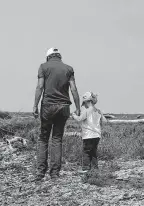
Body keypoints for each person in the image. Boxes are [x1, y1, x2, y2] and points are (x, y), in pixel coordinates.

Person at [33, 47, 81, 181]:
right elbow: (74, 89)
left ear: (48, 57)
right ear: (60, 57)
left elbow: (40, 87)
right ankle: (54, 174)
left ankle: (40, 172)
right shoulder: (69, 69)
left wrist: (35, 105)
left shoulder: (43, 67)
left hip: (48, 106)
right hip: (64, 107)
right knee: (57, 139)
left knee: (43, 138)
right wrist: (77, 107)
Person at [72, 92, 108, 172]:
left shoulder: (87, 111)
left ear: (87, 101)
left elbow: (79, 119)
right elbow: (105, 121)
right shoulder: (98, 111)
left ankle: (86, 169)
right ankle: (95, 169)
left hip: (88, 135)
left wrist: (74, 115)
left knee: (86, 152)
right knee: (93, 152)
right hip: (97, 135)